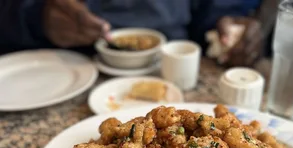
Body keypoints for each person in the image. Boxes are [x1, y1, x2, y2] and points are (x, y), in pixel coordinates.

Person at [0, 0, 278, 66]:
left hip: (173, 64)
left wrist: (230, 29)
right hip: (49, 62)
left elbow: (220, 9)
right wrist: (35, 16)